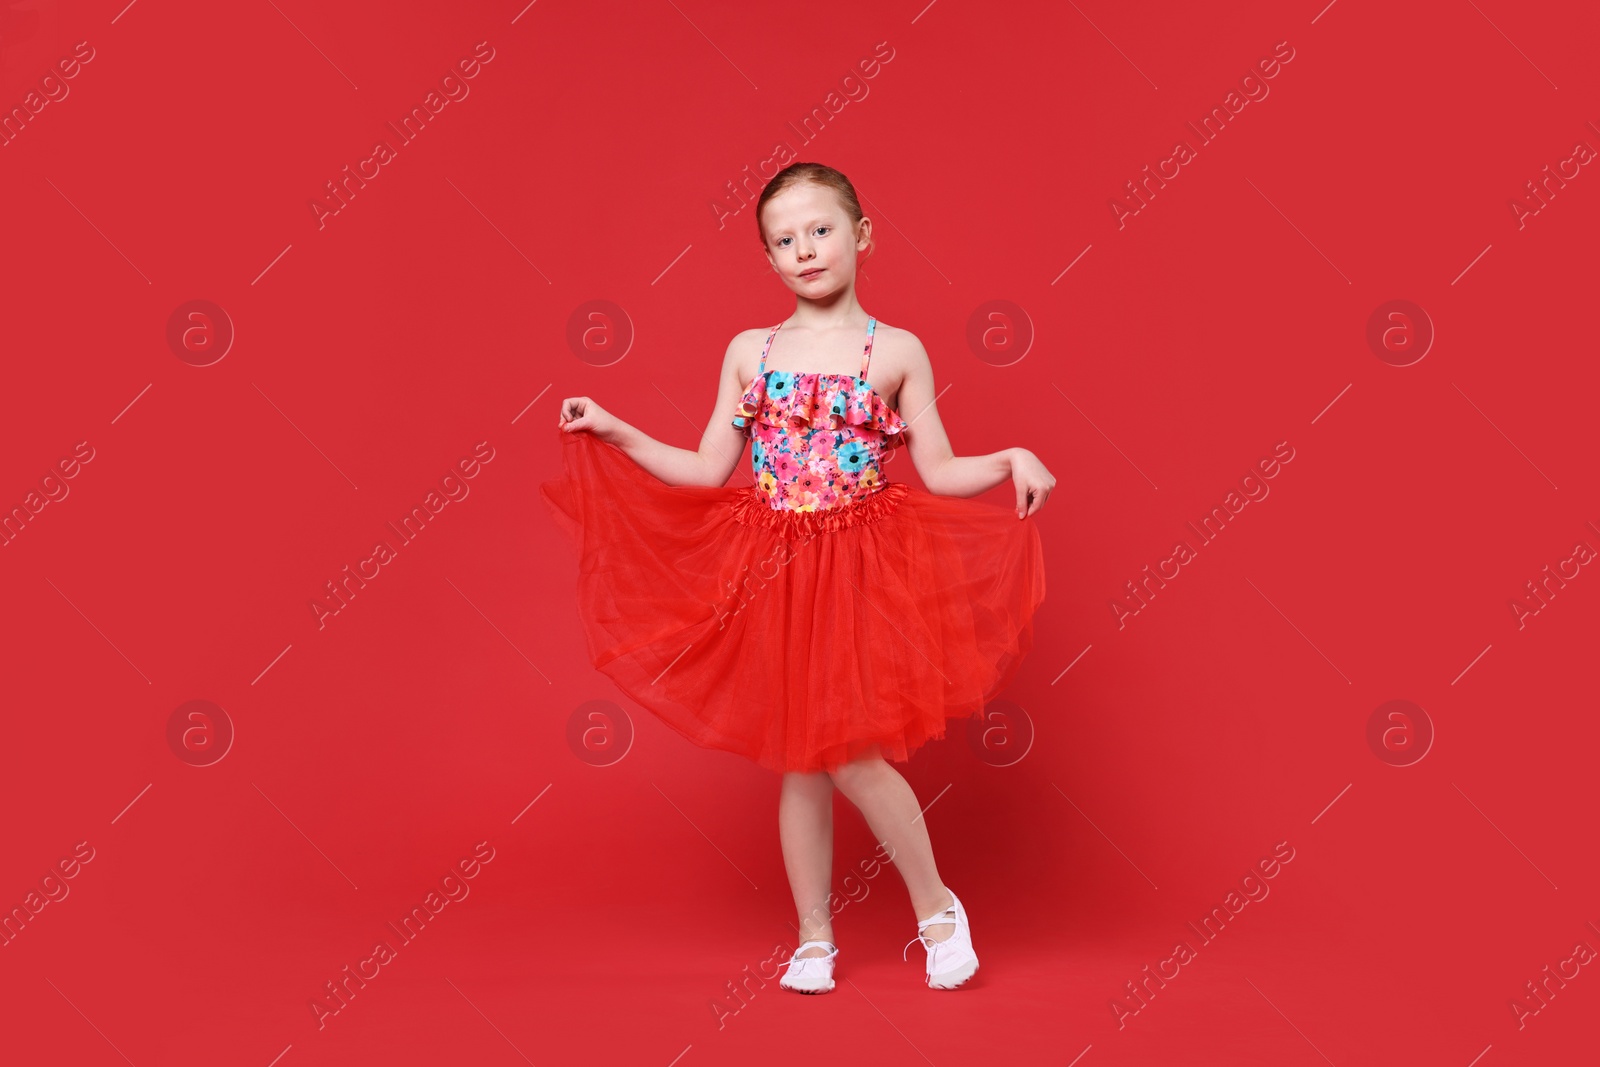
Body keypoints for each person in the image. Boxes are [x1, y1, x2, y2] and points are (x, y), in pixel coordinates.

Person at [539, 162, 1052, 993]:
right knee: (802, 760)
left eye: (820, 230)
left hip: (860, 565)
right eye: (784, 240)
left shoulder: (896, 351)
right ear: (769, 260)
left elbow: (941, 468)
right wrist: (614, 428)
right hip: (773, 569)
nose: (805, 249)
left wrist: (1011, 458)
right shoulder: (753, 351)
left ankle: (936, 908)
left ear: (862, 235)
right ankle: (815, 935)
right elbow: (708, 468)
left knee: (848, 751)